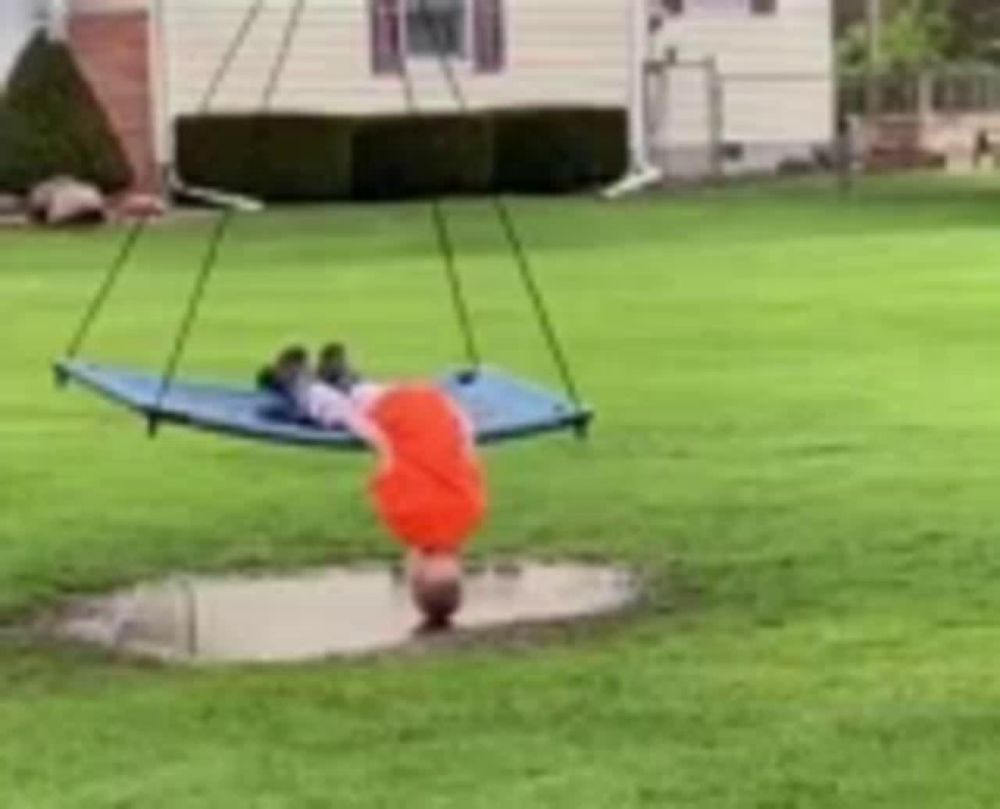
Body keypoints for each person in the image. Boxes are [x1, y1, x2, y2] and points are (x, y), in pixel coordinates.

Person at [257, 344, 487, 631]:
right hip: (391, 416)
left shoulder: (473, 512)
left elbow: (467, 451)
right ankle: (297, 383)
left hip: (433, 403)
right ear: (415, 571)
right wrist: (373, 439)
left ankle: (344, 378)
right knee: (335, 411)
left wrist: (447, 421)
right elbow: (387, 461)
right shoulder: (407, 523)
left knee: (372, 397)